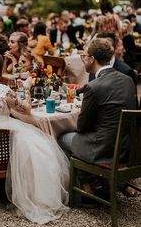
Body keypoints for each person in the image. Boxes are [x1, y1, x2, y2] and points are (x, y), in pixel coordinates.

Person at [0, 50, 69, 224]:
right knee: (38, 144)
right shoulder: (2, 90)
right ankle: (36, 192)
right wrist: (25, 85)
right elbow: (26, 109)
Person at [58, 38, 137, 166]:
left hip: (103, 150)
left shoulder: (94, 86)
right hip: (126, 147)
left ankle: (82, 181)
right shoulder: (127, 79)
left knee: (60, 138)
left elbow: (82, 127)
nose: (82, 60)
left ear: (91, 59)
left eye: (83, 56)